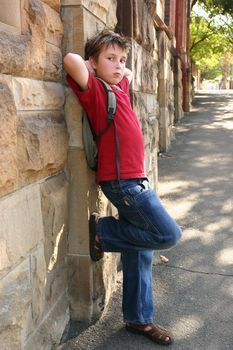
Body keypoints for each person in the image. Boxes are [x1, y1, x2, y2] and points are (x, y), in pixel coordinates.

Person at [64, 29, 182, 346]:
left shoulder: (121, 86)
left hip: (135, 179)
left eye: (121, 59)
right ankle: (104, 232)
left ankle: (138, 319)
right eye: (110, 59)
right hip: (122, 183)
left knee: (140, 251)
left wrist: (116, 65)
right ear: (94, 63)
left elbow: (125, 71)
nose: (118, 66)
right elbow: (70, 59)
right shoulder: (96, 92)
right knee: (169, 234)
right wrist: (91, 65)